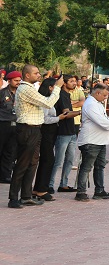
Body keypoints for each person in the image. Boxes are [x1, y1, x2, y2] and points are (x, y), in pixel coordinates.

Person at [8, 66, 63, 208]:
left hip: (35, 129)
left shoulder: (30, 88)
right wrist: (57, 87)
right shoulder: (25, 89)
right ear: (27, 75)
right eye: (36, 73)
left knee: (32, 164)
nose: (39, 75)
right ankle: (13, 198)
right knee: (22, 164)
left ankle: (26, 196)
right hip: (27, 129)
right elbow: (48, 102)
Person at [74, 83, 109, 202]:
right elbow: (101, 122)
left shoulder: (97, 104)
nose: (105, 98)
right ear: (97, 93)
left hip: (99, 140)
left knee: (99, 166)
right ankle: (81, 191)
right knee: (87, 167)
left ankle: (99, 190)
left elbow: (103, 119)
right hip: (91, 141)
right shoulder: (90, 104)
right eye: (104, 95)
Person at [50, 75, 81, 193]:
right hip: (63, 132)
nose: (74, 83)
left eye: (75, 81)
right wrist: (80, 112)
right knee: (58, 161)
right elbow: (66, 113)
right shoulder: (61, 95)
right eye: (71, 81)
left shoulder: (68, 95)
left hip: (71, 132)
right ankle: (50, 184)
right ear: (64, 83)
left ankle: (64, 184)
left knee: (69, 160)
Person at [0, 70, 21, 183]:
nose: (18, 82)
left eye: (19, 80)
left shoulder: (20, 93)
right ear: (9, 81)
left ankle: (5, 175)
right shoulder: (3, 93)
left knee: (10, 151)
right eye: (15, 80)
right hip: (3, 123)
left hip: (16, 124)